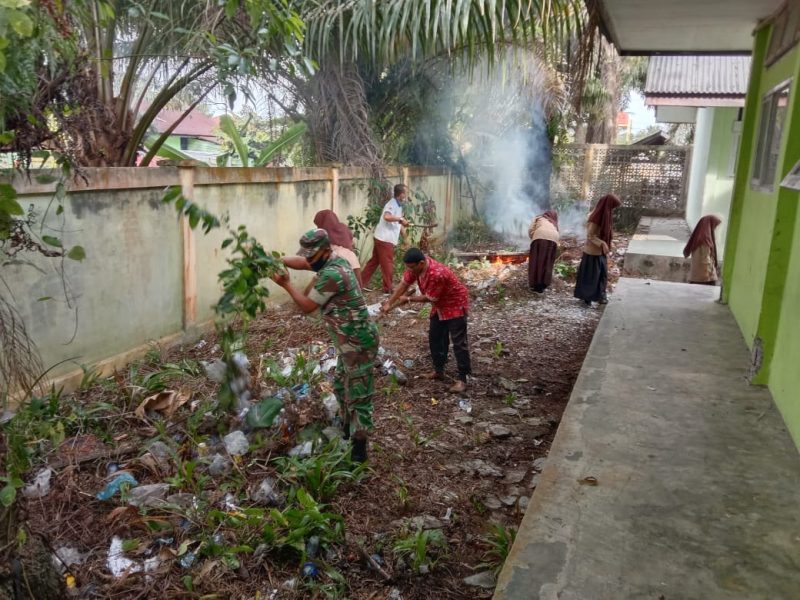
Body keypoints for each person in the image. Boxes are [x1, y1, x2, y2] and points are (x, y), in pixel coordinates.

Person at [272, 229, 379, 462]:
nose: (309, 260)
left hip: (358, 342)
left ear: (325, 251)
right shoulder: (331, 260)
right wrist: (276, 259)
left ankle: (359, 450)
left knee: (359, 395)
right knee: (341, 385)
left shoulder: (333, 273)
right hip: (347, 342)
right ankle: (347, 429)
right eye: (308, 256)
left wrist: (286, 284)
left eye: (313, 256)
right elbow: (302, 262)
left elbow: (307, 306)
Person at [381, 248, 471, 394]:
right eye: (408, 267)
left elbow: (430, 298)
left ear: (421, 263)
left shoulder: (437, 274)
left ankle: (463, 379)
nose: (409, 270)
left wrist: (409, 299)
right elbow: (404, 285)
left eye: (411, 267)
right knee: (435, 338)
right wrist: (388, 303)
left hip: (455, 304)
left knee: (459, 342)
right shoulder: (415, 269)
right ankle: (439, 371)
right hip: (440, 306)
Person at [360, 184, 409, 293]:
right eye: (405, 193)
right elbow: (387, 217)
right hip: (384, 239)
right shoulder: (392, 204)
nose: (406, 195)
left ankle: (360, 284)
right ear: (401, 194)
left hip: (382, 238)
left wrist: (405, 236)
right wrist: (400, 219)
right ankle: (388, 288)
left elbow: (398, 223)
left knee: (373, 262)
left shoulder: (399, 205)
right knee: (387, 263)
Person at [574, 194, 621, 306]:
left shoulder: (605, 215)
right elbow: (590, 235)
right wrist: (602, 243)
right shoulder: (596, 217)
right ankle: (587, 297)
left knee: (602, 275)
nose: (612, 210)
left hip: (600, 252)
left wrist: (608, 243)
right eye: (612, 207)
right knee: (592, 276)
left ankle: (600, 295)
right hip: (592, 252)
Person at [313, 209, 362, 284]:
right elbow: (352, 244)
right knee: (356, 288)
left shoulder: (323, 234)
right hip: (353, 261)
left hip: (337, 264)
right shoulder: (344, 227)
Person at [528, 209, 560, 293]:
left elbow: (530, 229)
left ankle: (536, 284)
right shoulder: (554, 222)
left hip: (539, 237)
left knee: (536, 261)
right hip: (554, 239)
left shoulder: (538, 218)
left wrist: (534, 238)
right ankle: (544, 284)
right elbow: (557, 232)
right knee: (548, 261)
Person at [684, 215, 722, 285]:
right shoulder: (705, 239)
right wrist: (711, 273)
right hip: (703, 276)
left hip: (698, 275)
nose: (715, 228)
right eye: (714, 225)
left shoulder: (700, 236)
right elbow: (705, 259)